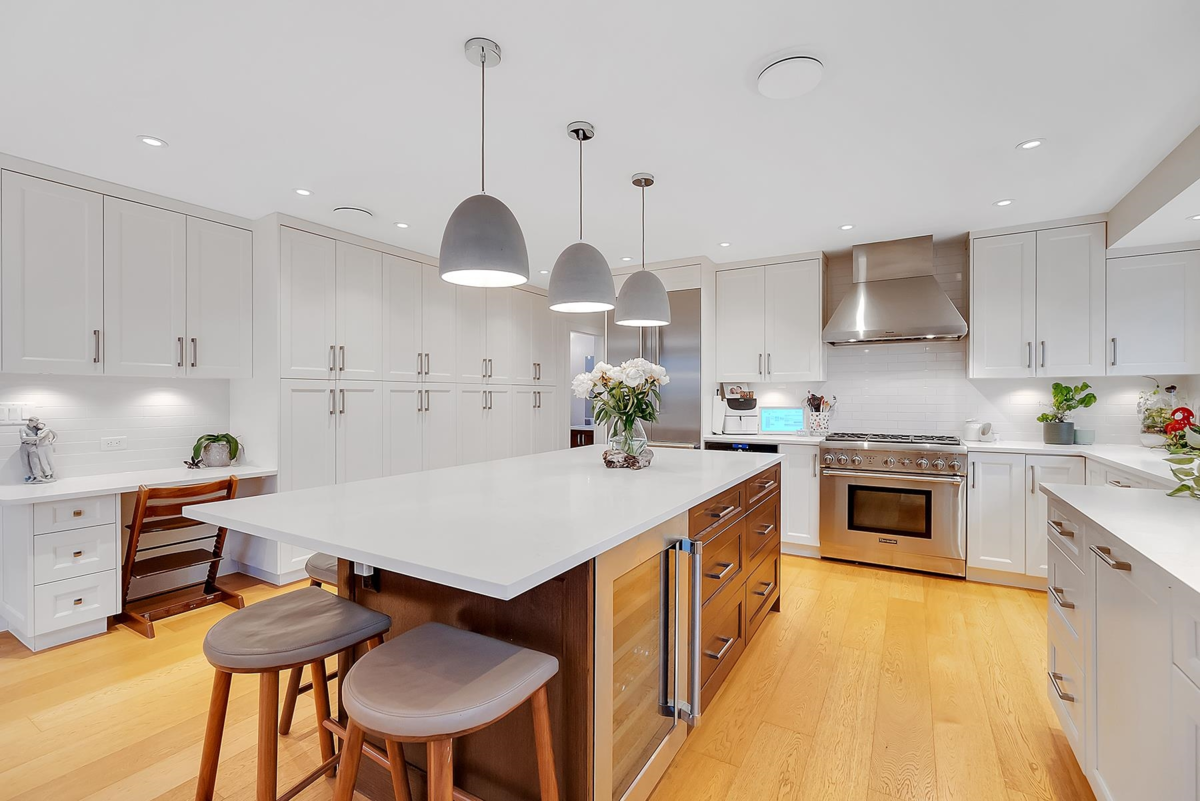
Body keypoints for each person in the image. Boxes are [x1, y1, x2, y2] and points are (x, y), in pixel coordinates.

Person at [20, 416, 57, 483]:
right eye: (35, 422)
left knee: (35, 461)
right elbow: (23, 438)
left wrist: (50, 440)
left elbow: (47, 432)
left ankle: (38, 476)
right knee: (25, 462)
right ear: (30, 421)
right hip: (24, 445)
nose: (36, 423)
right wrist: (36, 438)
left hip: (33, 446)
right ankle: (29, 477)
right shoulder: (23, 428)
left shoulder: (36, 428)